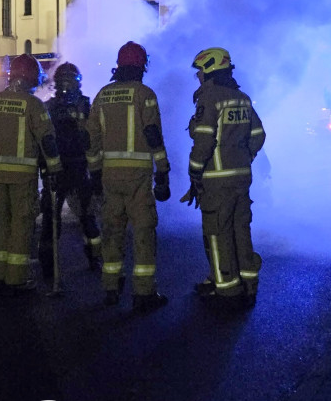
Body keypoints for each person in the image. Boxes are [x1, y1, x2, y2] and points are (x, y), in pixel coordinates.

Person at [86, 41, 171, 313]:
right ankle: (143, 294)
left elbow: (92, 139)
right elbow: (153, 136)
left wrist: (95, 172)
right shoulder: (144, 94)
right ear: (141, 66)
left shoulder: (102, 96)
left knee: (112, 231)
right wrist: (163, 173)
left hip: (110, 176)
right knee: (143, 232)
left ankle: (111, 286)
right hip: (138, 178)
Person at [181, 47, 266, 308]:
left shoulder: (210, 98)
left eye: (200, 72)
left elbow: (204, 140)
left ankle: (226, 290)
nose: (198, 77)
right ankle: (249, 284)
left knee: (217, 234)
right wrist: (243, 158)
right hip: (241, 177)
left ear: (210, 70)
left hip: (216, 179)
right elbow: (259, 135)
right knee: (241, 230)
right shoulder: (242, 98)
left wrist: (194, 170)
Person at [0, 54, 62, 295]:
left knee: (3, 226)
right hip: (23, 178)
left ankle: (0, 276)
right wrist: (54, 169)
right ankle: (17, 280)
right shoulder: (33, 105)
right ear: (32, 77)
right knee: (22, 227)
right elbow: (47, 140)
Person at [38, 62, 102, 279]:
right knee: (65, 217)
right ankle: (91, 259)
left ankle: (54, 265)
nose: (65, 86)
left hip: (68, 167)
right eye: (63, 81)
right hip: (69, 168)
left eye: (69, 81)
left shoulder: (55, 107)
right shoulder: (80, 106)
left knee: (76, 216)